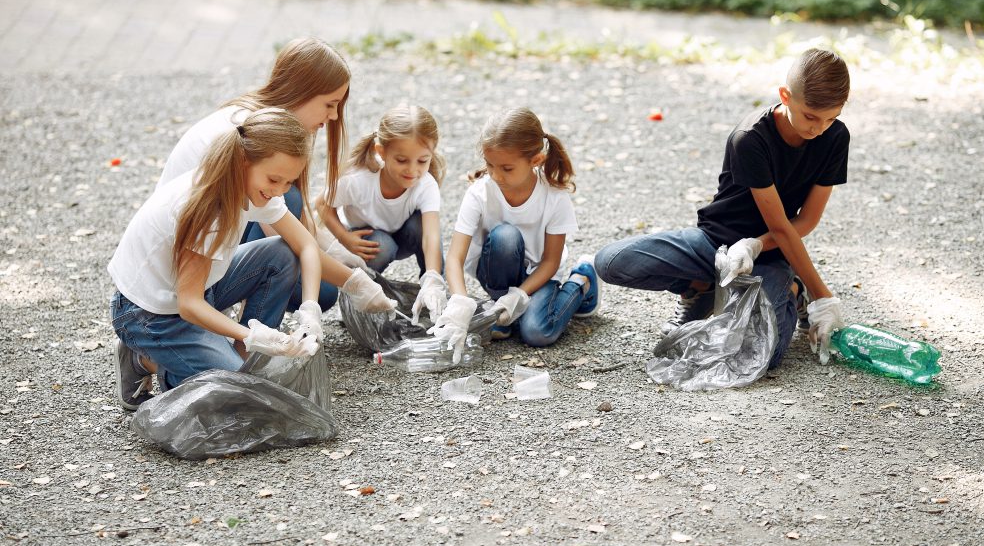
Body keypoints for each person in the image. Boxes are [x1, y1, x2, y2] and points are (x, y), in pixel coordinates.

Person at [595, 48, 851, 367]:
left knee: (760, 357)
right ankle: (700, 287)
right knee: (611, 262)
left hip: (769, 258)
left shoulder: (835, 138)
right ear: (785, 96)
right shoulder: (751, 139)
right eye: (811, 116)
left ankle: (792, 291)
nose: (819, 129)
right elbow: (780, 225)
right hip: (714, 243)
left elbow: (807, 219)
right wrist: (823, 294)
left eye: (831, 118)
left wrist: (758, 246)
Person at [109, 109, 325, 411]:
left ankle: (242, 359)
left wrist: (310, 309)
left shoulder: (250, 184)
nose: (279, 191)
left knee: (281, 254)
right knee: (235, 395)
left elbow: (306, 246)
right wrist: (253, 334)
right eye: (275, 179)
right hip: (149, 314)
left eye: (288, 182)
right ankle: (144, 360)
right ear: (243, 162)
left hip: (197, 289)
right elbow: (189, 304)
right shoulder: (208, 207)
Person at [157, 37, 352, 313]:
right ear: (302, 92)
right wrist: (358, 283)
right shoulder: (250, 134)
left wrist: (338, 255)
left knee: (324, 291)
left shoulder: (268, 124)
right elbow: (291, 230)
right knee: (291, 207)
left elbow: (301, 228)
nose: (333, 116)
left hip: (211, 246)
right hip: (181, 269)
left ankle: (242, 328)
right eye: (329, 104)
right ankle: (242, 325)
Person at [430, 107, 601, 361]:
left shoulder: (554, 197)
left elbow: (551, 262)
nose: (496, 175)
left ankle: (582, 281)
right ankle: (502, 308)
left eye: (507, 168)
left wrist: (520, 294)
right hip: (496, 274)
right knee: (505, 237)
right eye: (490, 165)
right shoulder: (480, 193)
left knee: (536, 333)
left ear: (536, 160)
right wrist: (459, 302)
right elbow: (454, 257)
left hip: (538, 276)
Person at [317, 105, 449, 323]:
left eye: (422, 161)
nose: (412, 170)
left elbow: (431, 236)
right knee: (383, 244)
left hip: (403, 234)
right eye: (402, 160)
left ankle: (434, 296)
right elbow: (322, 204)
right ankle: (355, 298)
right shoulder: (358, 180)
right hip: (367, 240)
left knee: (420, 226)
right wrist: (344, 237)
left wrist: (434, 276)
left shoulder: (425, 185)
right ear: (381, 152)